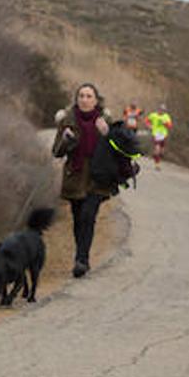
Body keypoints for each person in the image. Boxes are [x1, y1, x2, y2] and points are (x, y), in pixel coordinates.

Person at [51, 82, 120, 278]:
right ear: (77, 99)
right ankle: (81, 256)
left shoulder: (105, 120)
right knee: (78, 217)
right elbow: (56, 152)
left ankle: (82, 259)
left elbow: (117, 150)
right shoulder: (67, 120)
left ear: (96, 100)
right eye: (81, 96)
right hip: (75, 175)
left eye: (89, 96)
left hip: (98, 176)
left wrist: (107, 134)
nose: (84, 99)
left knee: (88, 216)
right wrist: (65, 140)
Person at [145, 103, 172, 169]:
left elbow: (170, 126)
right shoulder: (153, 115)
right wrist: (149, 126)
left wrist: (165, 123)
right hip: (156, 134)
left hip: (163, 134)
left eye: (163, 110)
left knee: (161, 151)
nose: (161, 111)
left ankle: (156, 155)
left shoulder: (166, 116)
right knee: (157, 149)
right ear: (158, 109)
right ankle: (157, 165)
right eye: (160, 109)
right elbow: (146, 120)